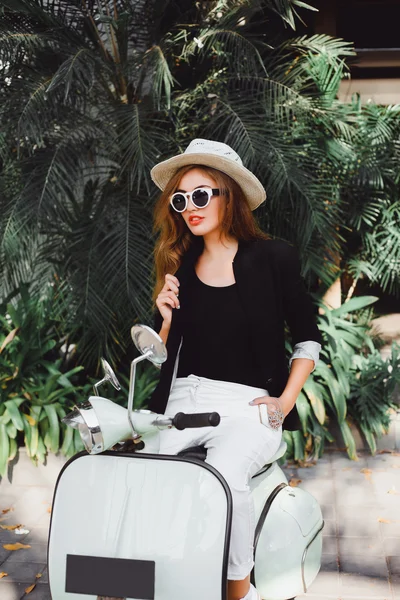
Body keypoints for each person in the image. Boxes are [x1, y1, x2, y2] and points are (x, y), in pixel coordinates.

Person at [148, 138, 323, 600]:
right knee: (151, 478)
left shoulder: (274, 258)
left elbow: (308, 337)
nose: (189, 208)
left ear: (230, 196)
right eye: (181, 199)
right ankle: (164, 583)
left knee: (225, 476)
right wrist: (164, 320)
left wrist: (285, 401)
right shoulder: (180, 265)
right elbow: (156, 358)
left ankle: (236, 590)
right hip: (184, 400)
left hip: (247, 406)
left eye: (201, 194)